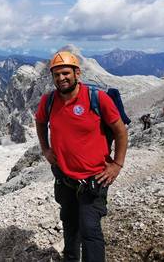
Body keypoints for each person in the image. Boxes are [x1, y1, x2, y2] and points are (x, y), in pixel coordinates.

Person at [35, 51, 128, 262]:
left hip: (94, 177)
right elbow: (40, 122)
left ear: (77, 73)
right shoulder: (48, 101)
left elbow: (121, 131)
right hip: (64, 178)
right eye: (56, 75)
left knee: (90, 230)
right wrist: (45, 149)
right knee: (69, 222)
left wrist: (117, 165)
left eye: (65, 73)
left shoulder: (97, 98)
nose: (61, 78)